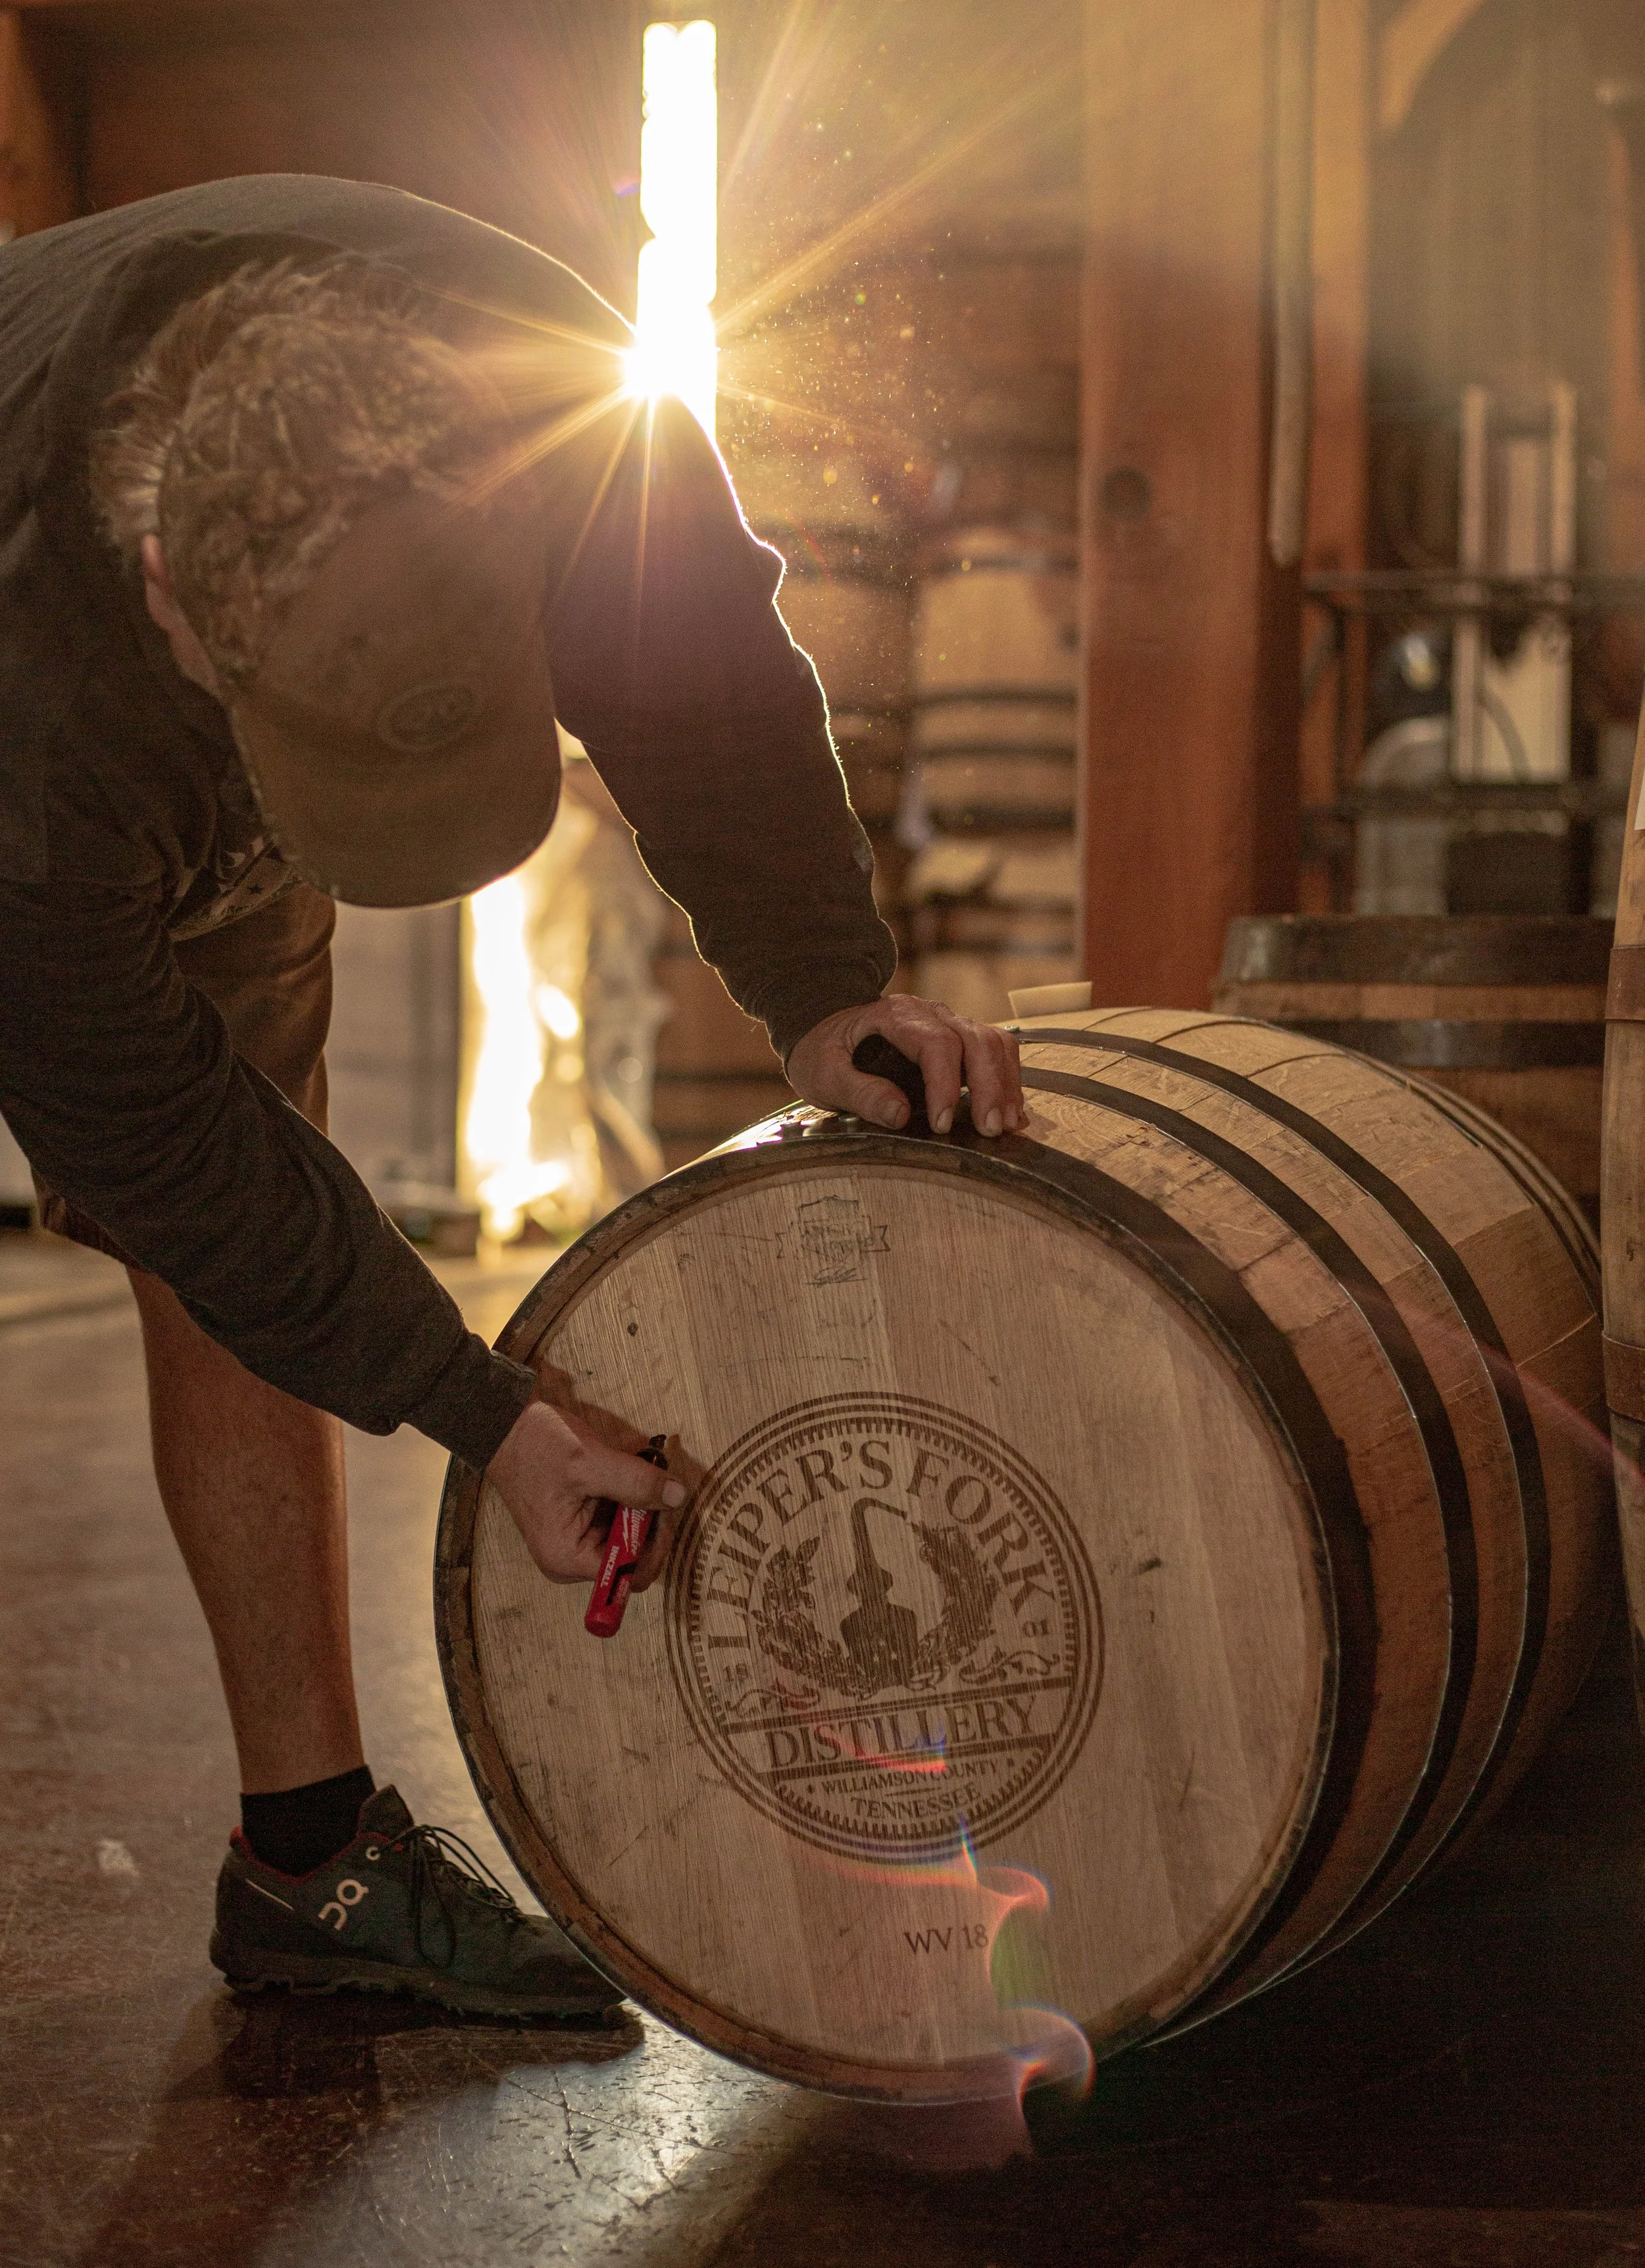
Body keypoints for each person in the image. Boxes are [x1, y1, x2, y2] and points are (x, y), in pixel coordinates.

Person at [0, 175, 1024, 2017]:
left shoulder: (563, 407)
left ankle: (309, 1868)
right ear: (174, 588)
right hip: (50, 727)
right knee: (206, 1204)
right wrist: (485, 1411)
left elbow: (701, 669)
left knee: (243, 1235)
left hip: (161, 736)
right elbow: (166, 1156)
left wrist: (820, 984)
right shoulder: (40, 719)